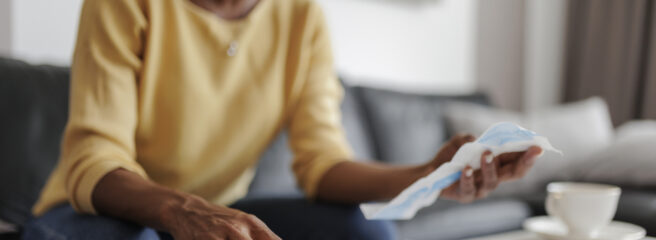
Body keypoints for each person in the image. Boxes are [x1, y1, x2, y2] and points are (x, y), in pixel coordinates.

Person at [23, 0, 543, 239]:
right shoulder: (125, 4)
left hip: (220, 205)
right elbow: (94, 159)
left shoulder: (301, 17)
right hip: (98, 209)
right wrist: (182, 211)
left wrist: (429, 174)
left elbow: (322, 164)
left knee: (369, 229)